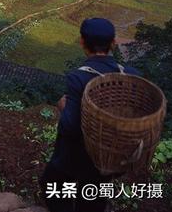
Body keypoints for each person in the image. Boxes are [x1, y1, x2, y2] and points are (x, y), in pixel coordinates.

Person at [40, 18, 140, 212]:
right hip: (109, 154)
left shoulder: (79, 77)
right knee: (93, 198)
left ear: (82, 43)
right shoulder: (130, 74)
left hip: (75, 155)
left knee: (52, 186)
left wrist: (63, 106)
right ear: (113, 43)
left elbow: (71, 126)